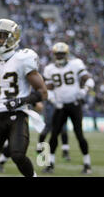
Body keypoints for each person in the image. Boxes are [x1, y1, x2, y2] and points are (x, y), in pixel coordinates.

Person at [0, 19, 48, 177]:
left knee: (18, 155)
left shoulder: (23, 59)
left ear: (13, 37)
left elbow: (42, 92)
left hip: (17, 115)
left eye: (2, 36)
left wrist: (22, 101)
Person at [42, 42, 94, 174]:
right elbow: (49, 89)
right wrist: (53, 100)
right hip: (60, 106)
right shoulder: (49, 69)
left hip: (74, 104)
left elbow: (89, 80)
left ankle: (87, 164)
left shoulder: (76, 64)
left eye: (62, 54)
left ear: (66, 54)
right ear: (54, 55)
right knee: (53, 136)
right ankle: (50, 164)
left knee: (79, 134)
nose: (59, 56)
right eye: (57, 54)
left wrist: (85, 90)